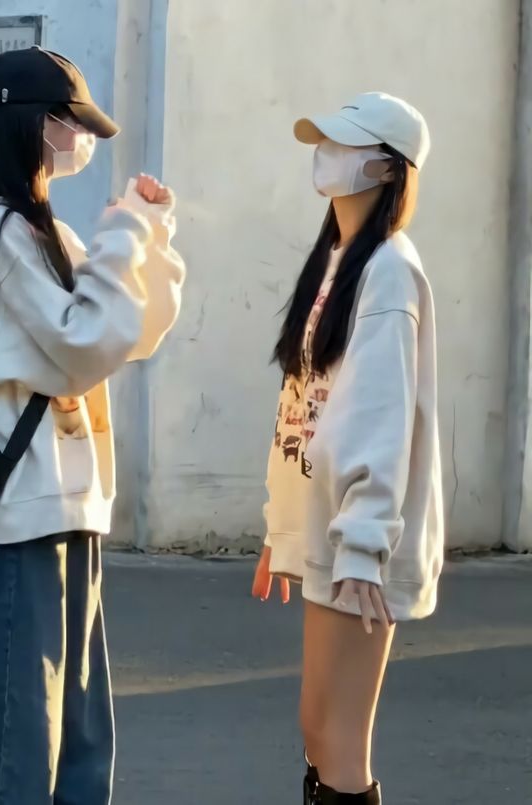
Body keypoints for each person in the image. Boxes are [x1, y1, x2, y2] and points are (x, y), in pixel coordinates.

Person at [0, 47, 185, 805]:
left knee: (77, 742)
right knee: (15, 748)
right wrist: (127, 235)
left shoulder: (46, 234)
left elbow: (127, 332)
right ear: (34, 123)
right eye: (71, 123)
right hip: (14, 522)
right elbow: (79, 345)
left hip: (66, 514)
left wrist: (151, 243)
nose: (80, 139)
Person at [252, 92, 443, 804]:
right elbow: (301, 403)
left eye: (343, 143)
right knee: (316, 726)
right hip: (332, 528)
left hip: (365, 538)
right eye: (323, 141)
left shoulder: (390, 269)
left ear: (389, 169)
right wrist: (284, 524)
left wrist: (363, 540)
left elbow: (379, 415)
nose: (324, 154)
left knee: (340, 740)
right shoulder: (334, 261)